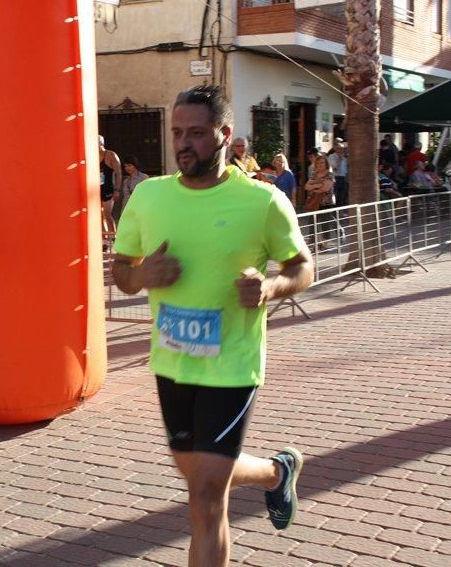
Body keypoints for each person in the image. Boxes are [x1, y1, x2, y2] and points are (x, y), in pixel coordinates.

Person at [111, 85, 314, 567]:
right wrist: (141, 276)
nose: (184, 143)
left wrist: (269, 287)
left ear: (225, 135)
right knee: (196, 472)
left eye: (197, 134)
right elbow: (121, 271)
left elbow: (303, 267)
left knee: (205, 497)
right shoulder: (149, 195)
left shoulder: (261, 201)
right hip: (172, 360)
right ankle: (275, 472)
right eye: (178, 132)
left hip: (232, 364)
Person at [98, 135, 123, 236]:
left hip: (108, 188)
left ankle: (113, 238)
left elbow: (118, 173)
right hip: (96, 189)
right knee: (99, 217)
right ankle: (104, 240)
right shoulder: (92, 155)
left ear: (100, 144)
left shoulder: (110, 155)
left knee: (107, 215)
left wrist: (117, 189)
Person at [327, 139, 348, 207]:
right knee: (334, 196)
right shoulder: (331, 156)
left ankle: (340, 211)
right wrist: (339, 159)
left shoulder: (345, 157)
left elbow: (346, 169)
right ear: (335, 148)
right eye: (339, 148)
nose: (341, 150)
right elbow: (335, 169)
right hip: (335, 178)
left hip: (343, 178)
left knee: (342, 196)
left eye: (342, 149)